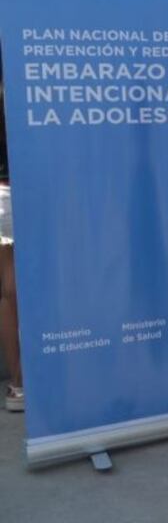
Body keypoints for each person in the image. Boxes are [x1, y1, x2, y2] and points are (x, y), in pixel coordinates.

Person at [0, 63, 22, 413]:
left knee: (11, 290)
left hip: (12, 186)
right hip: (6, 189)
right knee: (11, 289)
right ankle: (20, 383)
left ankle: (21, 384)